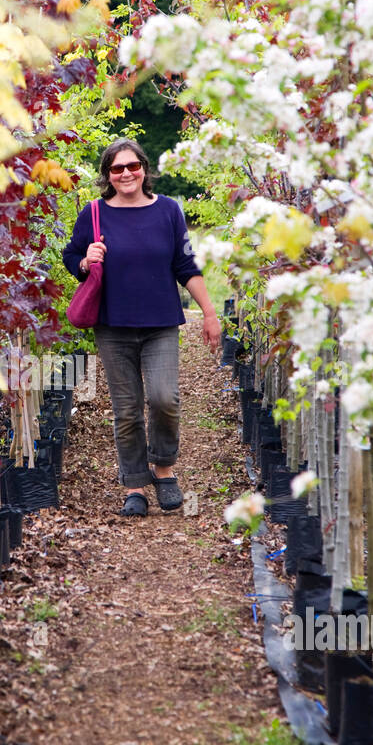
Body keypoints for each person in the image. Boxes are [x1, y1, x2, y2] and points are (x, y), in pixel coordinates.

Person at [61, 138, 222, 517]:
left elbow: (186, 266)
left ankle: (164, 470)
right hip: (112, 325)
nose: (126, 174)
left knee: (164, 398)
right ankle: (134, 484)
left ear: (144, 169)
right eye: (117, 169)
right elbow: (72, 255)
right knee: (127, 408)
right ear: (108, 176)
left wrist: (210, 314)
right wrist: (84, 261)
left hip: (161, 323)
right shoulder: (94, 213)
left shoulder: (168, 211)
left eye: (132, 166)